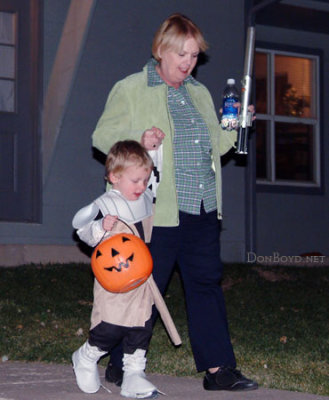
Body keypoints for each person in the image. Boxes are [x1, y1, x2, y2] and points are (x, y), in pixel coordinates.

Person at [92, 13, 258, 392]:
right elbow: (103, 136)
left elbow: (216, 147)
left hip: (200, 206)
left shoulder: (197, 93)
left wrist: (237, 126)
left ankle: (218, 370)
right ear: (161, 50)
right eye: (181, 54)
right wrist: (139, 138)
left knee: (206, 285)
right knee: (144, 287)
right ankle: (120, 362)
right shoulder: (133, 88)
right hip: (156, 210)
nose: (187, 62)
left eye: (194, 56)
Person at [71, 140, 181, 399]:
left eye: (144, 180)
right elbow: (83, 230)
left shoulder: (144, 198)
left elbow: (154, 178)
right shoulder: (106, 204)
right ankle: (86, 356)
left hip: (142, 279)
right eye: (135, 181)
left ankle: (134, 374)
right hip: (114, 281)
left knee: (140, 328)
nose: (141, 186)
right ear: (114, 177)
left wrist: (153, 151)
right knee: (110, 327)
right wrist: (101, 228)